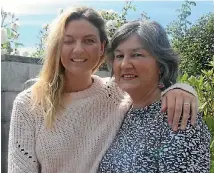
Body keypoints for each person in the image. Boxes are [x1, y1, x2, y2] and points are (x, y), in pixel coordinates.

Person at [8, 7, 199, 173]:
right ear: (57, 46)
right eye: (68, 41)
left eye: (89, 41)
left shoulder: (116, 91)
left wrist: (180, 89)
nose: (78, 50)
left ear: (102, 48)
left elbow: (148, 86)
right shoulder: (29, 104)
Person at [98, 20, 211, 172]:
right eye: (119, 56)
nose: (125, 64)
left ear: (160, 64)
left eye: (137, 54)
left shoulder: (178, 119)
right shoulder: (122, 110)